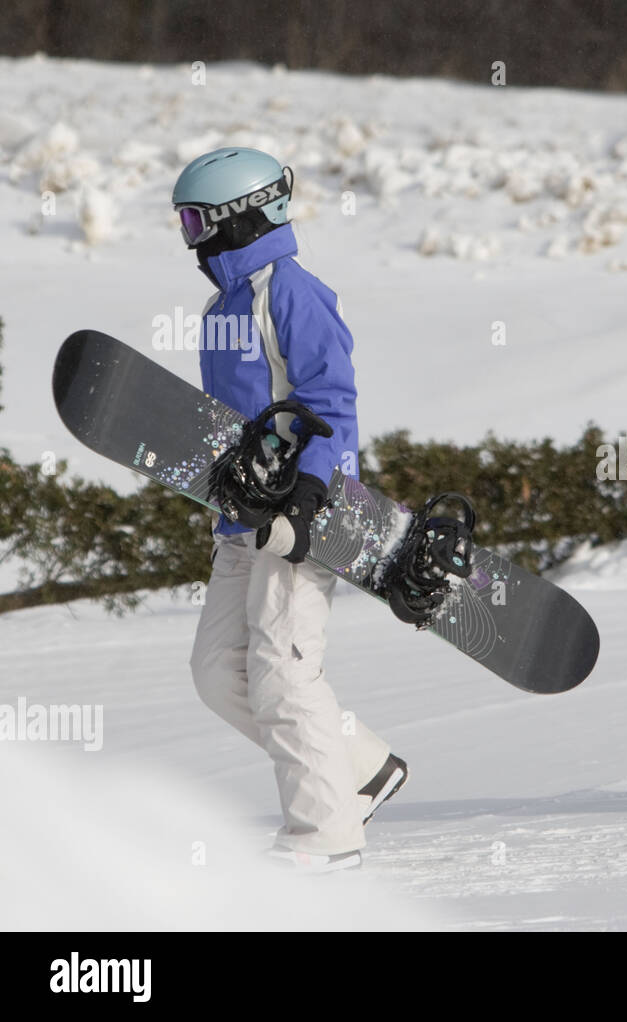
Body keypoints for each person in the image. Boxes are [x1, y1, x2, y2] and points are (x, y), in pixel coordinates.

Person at [173, 146, 407, 868]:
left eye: (193, 222)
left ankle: (325, 835)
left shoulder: (291, 293)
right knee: (219, 671)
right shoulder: (222, 309)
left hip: (303, 518)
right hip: (244, 521)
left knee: (283, 669)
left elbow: (331, 398)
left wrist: (310, 497)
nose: (189, 240)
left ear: (236, 220)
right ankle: (360, 769)